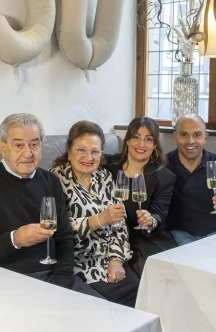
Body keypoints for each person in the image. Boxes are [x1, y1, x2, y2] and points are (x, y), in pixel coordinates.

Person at [0, 113, 92, 295]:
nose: (28, 153)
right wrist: (15, 240)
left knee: (106, 316)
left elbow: (64, 241)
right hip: (7, 282)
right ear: (2, 147)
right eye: (19, 145)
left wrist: (62, 285)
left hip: (55, 278)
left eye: (34, 144)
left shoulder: (51, 181)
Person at [49, 121, 139, 307]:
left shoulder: (104, 176)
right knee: (106, 308)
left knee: (141, 292)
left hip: (109, 259)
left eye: (95, 151)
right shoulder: (55, 179)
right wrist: (99, 219)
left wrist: (116, 259)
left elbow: (119, 222)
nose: (88, 157)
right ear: (69, 150)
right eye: (81, 149)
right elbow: (57, 229)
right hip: (79, 264)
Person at [106, 117, 178, 277]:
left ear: (154, 145)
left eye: (148, 139)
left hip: (145, 238)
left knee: (164, 272)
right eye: (136, 137)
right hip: (112, 236)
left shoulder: (164, 177)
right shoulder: (107, 166)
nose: (141, 144)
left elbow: (159, 214)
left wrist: (151, 221)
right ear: (127, 141)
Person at [166, 114, 216, 246]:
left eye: (197, 134)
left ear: (206, 138)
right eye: (184, 134)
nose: (190, 141)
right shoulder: (164, 165)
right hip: (177, 235)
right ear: (175, 137)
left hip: (214, 235)